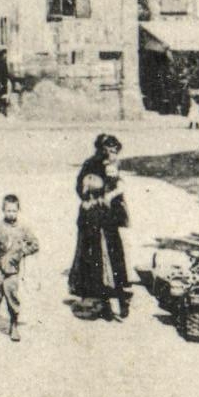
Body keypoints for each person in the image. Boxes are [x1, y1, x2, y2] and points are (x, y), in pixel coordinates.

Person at [69, 134, 131, 320]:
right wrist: (90, 196)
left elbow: (118, 187)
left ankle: (120, 298)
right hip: (94, 218)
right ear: (102, 150)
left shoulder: (112, 166)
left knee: (113, 256)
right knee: (96, 256)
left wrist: (111, 195)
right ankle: (103, 301)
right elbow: (81, 187)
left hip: (107, 218)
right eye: (110, 150)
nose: (114, 154)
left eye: (115, 150)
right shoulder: (93, 165)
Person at [0, 194, 39, 342]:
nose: (11, 214)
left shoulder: (23, 229)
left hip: (12, 271)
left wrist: (22, 251)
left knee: (12, 298)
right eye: (8, 210)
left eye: (14, 211)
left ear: (18, 211)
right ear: (3, 210)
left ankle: (14, 325)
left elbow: (35, 244)